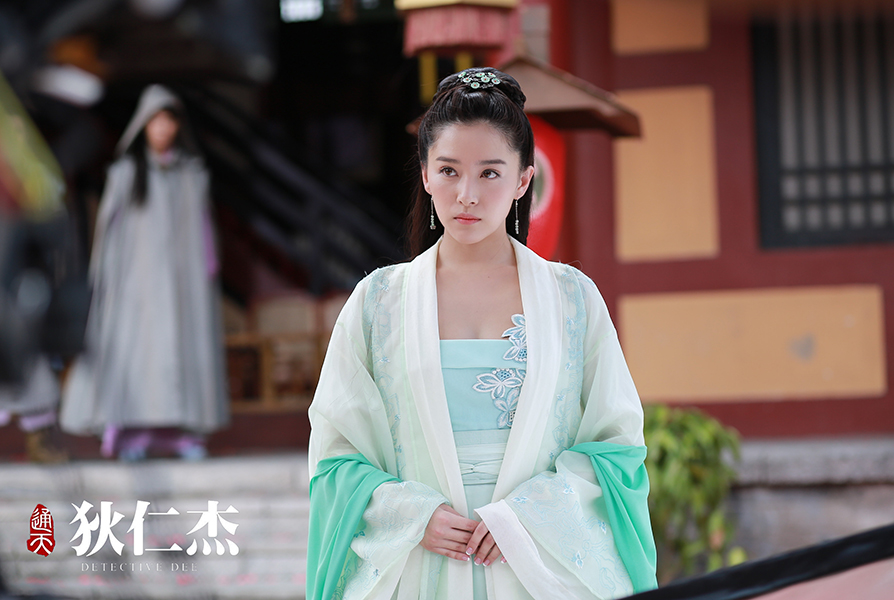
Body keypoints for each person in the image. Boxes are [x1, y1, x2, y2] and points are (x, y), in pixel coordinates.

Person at [306, 68, 657, 600]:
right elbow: (336, 456)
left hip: (538, 562)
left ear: (523, 181)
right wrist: (412, 516)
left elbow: (616, 447)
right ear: (426, 174)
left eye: (490, 173)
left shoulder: (572, 299)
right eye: (448, 170)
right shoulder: (377, 302)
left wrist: (526, 517)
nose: (466, 195)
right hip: (419, 562)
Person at [60, 84, 228, 460]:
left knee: (180, 350)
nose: (163, 128)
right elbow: (109, 237)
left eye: (170, 120)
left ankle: (184, 433)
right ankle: (131, 430)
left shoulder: (191, 174)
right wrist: (108, 281)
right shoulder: (125, 174)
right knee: (135, 354)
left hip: (181, 285)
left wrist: (204, 276)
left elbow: (203, 237)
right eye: (156, 120)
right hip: (136, 286)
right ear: (143, 125)